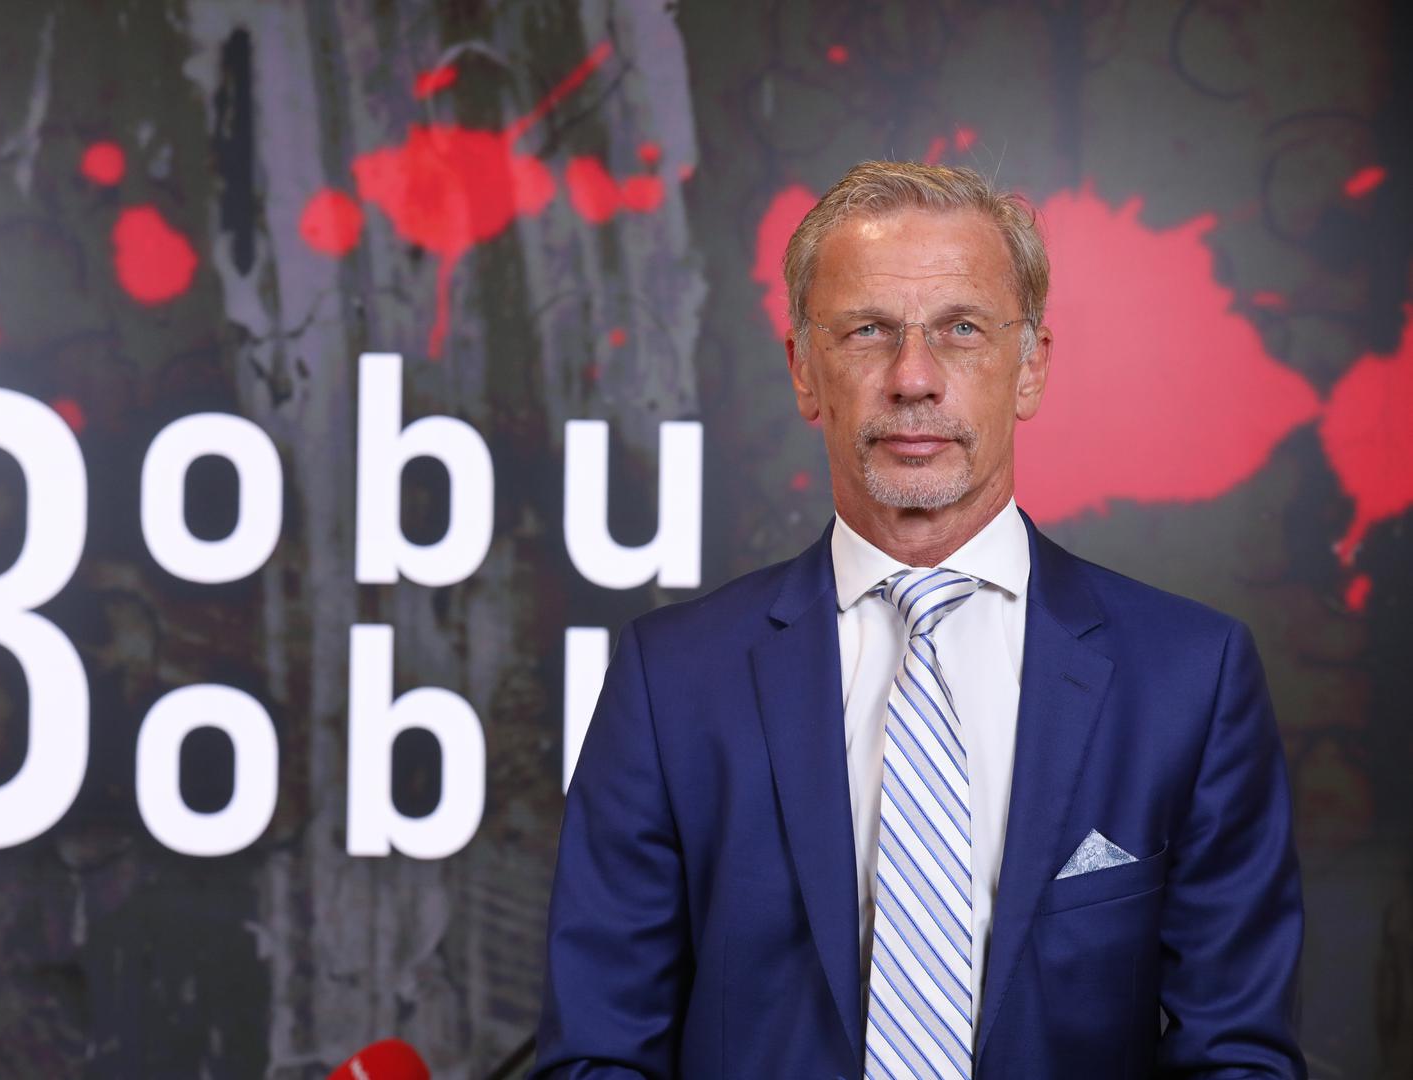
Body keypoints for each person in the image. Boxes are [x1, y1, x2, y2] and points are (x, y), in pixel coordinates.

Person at [532, 161, 1305, 1078]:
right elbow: (598, 1054)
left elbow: (1238, 1055)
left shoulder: (1191, 678)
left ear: (1031, 367)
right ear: (803, 370)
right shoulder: (671, 681)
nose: (913, 378)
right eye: (868, 331)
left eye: (962, 329)